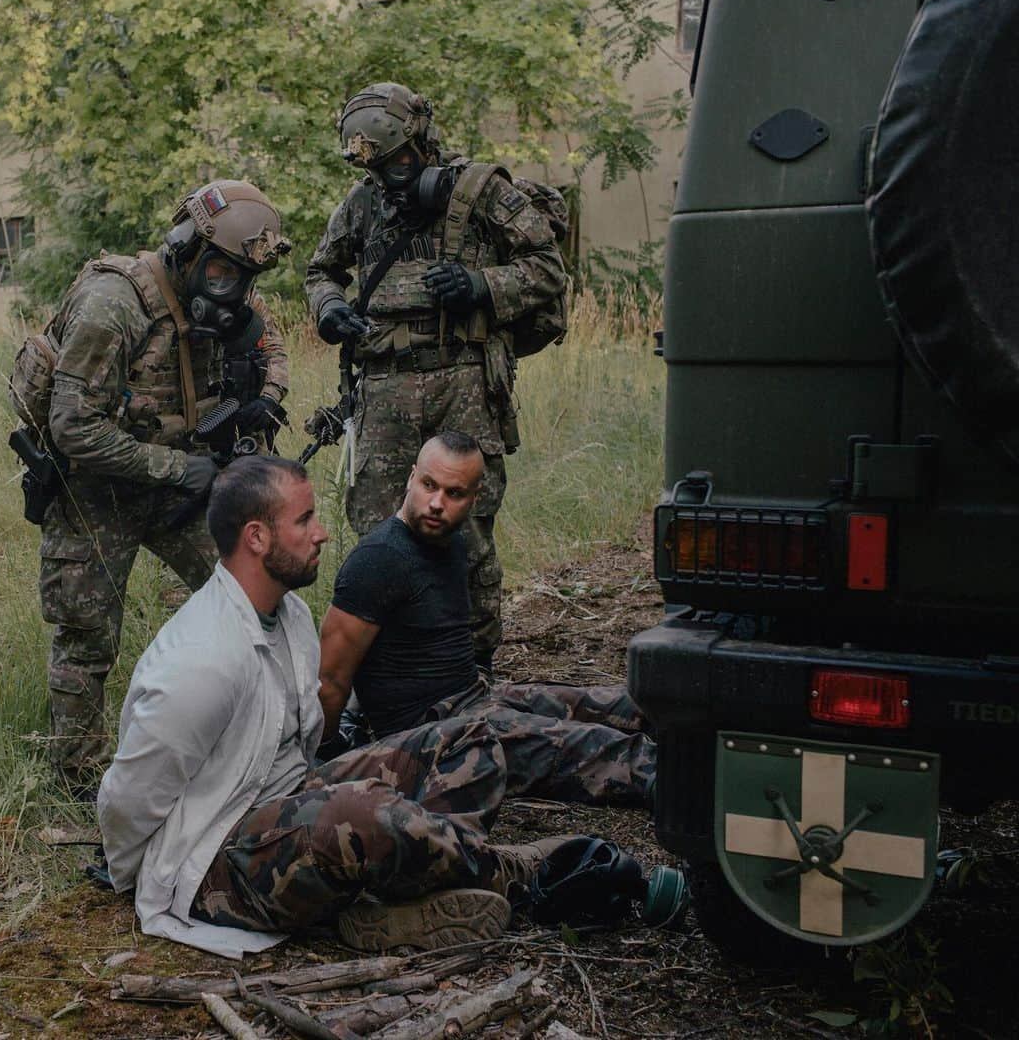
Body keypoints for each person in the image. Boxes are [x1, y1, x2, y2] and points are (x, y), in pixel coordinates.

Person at [97, 456, 573, 958]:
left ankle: (406, 900)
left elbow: (306, 753)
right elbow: (129, 799)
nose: (321, 533)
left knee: (465, 739)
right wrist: (136, 881)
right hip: (212, 862)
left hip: (286, 799)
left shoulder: (292, 615)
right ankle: (514, 873)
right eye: (304, 520)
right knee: (359, 814)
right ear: (256, 538)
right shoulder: (201, 663)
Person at [33, 180, 293, 789]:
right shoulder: (114, 303)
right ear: (187, 248)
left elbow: (272, 347)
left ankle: (257, 740)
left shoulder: (228, 298)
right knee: (86, 638)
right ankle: (79, 782)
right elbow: (72, 426)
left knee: (251, 597)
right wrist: (177, 469)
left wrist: (266, 399)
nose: (234, 287)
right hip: (97, 491)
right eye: (224, 271)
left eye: (243, 276)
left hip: (181, 480)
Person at [305, 81, 568, 674]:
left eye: (400, 162)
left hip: (464, 383)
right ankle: (385, 669)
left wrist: (483, 285)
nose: (393, 179)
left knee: (465, 533)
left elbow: (546, 268)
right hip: (384, 389)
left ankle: (469, 666)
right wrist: (328, 308)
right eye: (379, 167)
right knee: (378, 530)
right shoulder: (364, 202)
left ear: (420, 141)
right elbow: (321, 269)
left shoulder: (480, 192)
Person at [319, 432, 656, 807]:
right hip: (436, 737)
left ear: (473, 499)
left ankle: (718, 739)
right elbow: (331, 678)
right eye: (429, 485)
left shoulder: (451, 541)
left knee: (624, 705)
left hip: (474, 697)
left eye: (454, 493)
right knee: (605, 750)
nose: (436, 503)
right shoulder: (377, 559)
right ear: (411, 477)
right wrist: (333, 757)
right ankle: (712, 797)